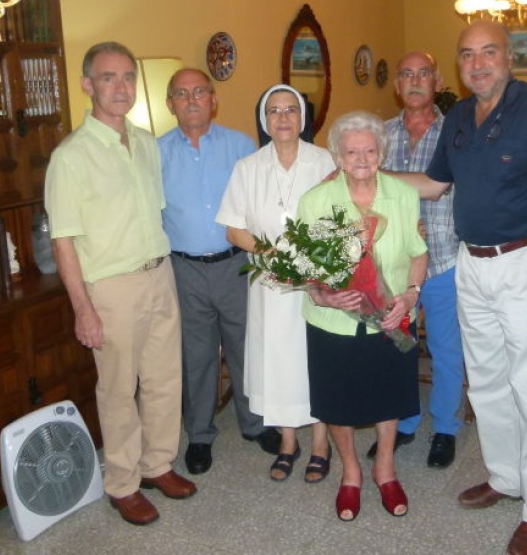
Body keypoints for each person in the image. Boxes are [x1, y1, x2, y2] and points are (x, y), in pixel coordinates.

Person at [392, 21, 527, 555]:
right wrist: (366, 176)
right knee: (488, 382)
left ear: (509, 57)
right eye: (467, 55)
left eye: (488, 52)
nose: (478, 63)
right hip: (471, 264)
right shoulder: (460, 120)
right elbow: (434, 184)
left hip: (526, 261)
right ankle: (505, 477)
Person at [45, 41, 196, 527]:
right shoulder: (71, 156)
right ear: (87, 85)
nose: (120, 87)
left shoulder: (146, 142)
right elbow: (64, 242)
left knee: (163, 380)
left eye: (128, 77)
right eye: (108, 78)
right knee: (117, 389)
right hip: (110, 288)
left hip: (159, 273)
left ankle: (157, 465)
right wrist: (82, 309)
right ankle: (124, 483)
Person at [297, 110, 428, 521]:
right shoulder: (316, 201)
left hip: (391, 317)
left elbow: (418, 255)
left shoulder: (403, 195)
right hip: (333, 323)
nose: (361, 158)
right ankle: (350, 471)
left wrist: (409, 297)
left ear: (381, 152)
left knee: (389, 393)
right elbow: (304, 268)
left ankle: (384, 467)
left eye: (369, 150)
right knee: (339, 399)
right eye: (351, 151)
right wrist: (324, 297)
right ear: (337, 155)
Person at [158, 68, 280, 477]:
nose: (191, 100)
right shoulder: (156, 153)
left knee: (247, 347)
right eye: (181, 93)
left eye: (199, 92)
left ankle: (255, 423)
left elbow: (261, 202)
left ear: (213, 99)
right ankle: (199, 435)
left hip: (235, 264)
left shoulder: (241, 145)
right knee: (197, 355)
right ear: (169, 103)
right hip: (184, 269)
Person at [216, 84, 337, 483]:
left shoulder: (325, 162)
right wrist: (271, 255)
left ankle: (320, 442)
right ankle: (288, 441)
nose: (282, 118)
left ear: (303, 117)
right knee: (278, 361)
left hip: (315, 279)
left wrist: (309, 261)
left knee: (314, 359)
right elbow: (234, 229)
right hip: (269, 283)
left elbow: (341, 220)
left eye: (290, 110)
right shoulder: (247, 168)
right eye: (274, 111)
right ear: (264, 120)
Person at [374, 50, 464, 469]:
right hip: (395, 267)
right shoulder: (380, 136)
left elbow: (453, 189)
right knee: (399, 347)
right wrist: (402, 226)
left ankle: (445, 427)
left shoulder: (457, 133)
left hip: (445, 261)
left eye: (423, 73)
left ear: (438, 81)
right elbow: (365, 193)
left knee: (447, 350)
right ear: (396, 84)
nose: (414, 81)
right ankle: (405, 422)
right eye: (406, 73)